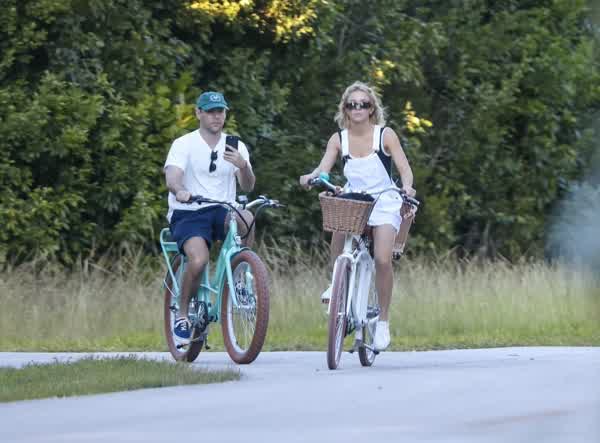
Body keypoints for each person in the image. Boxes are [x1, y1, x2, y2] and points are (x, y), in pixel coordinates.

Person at [299, 81, 416, 351]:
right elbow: (324, 169)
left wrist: (407, 187)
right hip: (356, 199)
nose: (358, 108)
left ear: (372, 108)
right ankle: (336, 283)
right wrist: (312, 177)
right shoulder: (338, 139)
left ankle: (383, 321)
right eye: (352, 105)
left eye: (363, 104)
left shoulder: (385, 136)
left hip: (384, 200)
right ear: (345, 109)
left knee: (382, 258)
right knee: (339, 227)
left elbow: (405, 169)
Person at [164, 91, 255, 344]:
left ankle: (240, 279)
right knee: (199, 259)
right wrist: (180, 191)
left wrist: (243, 165)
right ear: (199, 113)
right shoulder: (184, 144)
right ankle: (182, 314)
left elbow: (248, 186)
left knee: (247, 217)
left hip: (223, 209)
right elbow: (172, 177)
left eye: (220, 111)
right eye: (211, 111)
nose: (216, 116)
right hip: (190, 211)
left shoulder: (236, 146)